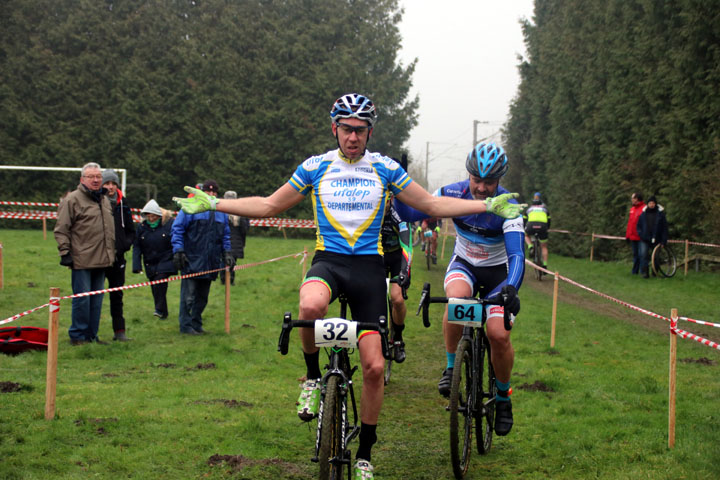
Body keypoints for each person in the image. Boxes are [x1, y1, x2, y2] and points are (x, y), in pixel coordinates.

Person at [173, 93, 525, 478]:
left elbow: (431, 206)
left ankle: (365, 454)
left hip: (369, 270)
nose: (353, 137)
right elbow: (271, 205)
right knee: (309, 308)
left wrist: (486, 206)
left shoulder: (386, 168)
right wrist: (215, 205)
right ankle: (310, 378)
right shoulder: (315, 166)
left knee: (374, 366)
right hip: (330, 262)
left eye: (360, 130)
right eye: (346, 129)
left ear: (370, 131)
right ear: (334, 129)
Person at [395, 141, 525, 438]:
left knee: (498, 334)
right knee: (456, 301)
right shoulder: (451, 193)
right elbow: (409, 214)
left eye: (488, 182)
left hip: (498, 274)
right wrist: (398, 187)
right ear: (468, 175)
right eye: (476, 179)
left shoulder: (509, 206)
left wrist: (511, 288)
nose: (481, 188)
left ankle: (503, 398)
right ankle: (452, 368)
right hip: (464, 263)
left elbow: (517, 255)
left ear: (499, 180)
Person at [54, 162, 116, 345]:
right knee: (82, 300)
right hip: (81, 259)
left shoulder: (104, 199)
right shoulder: (72, 199)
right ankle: (78, 336)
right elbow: (61, 228)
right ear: (82, 179)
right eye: (91, 177)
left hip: (102, 259)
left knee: (97, 301)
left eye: (98, 177)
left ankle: (92, 335)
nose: (96, 180)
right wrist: (65, 251)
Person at [171, 180, 234, 335]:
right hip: (191, 259)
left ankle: (196, 323)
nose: (211, 195)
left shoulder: (221, 213)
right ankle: (185, 326)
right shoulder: (190, 209)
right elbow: (177, 229)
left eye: (214, 193)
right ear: (203, 192)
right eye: (208, 192)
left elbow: (225, 235)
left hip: (211, 261)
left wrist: (227, 252)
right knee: (188, 297)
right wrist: (178, 250)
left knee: (202, 297)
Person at [101, 169, 136, 341]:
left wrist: (125, 245)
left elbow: (131, 229)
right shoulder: (96, 202)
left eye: (113, 183)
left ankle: (119, 332)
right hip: (99, 258)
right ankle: (90, 334)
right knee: (95, 296)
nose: (110, 187)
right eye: (107, 183)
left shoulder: (123, 204)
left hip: (119, 257)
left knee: (117, 296)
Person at [380, 195, 412, 363]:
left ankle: (398, 338)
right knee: (373, 299)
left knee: (397, 299)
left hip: (397, 259)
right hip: (377, 257)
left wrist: (405, 271)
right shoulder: (369, 214)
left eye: (383, 201)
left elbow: (407, 245)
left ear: (389, 199)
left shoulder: (397, 215)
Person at [132, 199, 177, 319]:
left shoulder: (169, 224)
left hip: (166, 259)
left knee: (160, 283)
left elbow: (176, 240)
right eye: (149, 216)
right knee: (155, 287)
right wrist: (136, 265)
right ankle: (163, 312)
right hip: (149, 262)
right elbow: (137, 246)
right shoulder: (142, 227)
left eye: (154, 216)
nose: (151, 219)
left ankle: (159, 309)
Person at [220, 190, 250, 286]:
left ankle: (223, 279)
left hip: (224, 241)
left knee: (223, 260)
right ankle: (231, 279)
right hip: (236, 242)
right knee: (233, 262)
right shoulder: (241, 212)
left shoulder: (220, 212)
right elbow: (245, 229)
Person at [636, 195, 669, 278]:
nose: (651, 204)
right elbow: (639, 226)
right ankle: (645, 273)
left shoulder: (661, 214)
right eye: (650, 203)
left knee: (656, 257)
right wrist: (641, 235)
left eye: (653, 203)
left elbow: (665, 228)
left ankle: (655, 273)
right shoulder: (643, 214)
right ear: (648, 204)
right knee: (644, 255)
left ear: (655, 204)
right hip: (645, 239)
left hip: (657, 239)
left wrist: (663, 240)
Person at [523, 192, 550, 270]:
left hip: (531, 226)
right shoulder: (545, 209)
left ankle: (530, 246)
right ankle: (545, 265)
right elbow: (549, 220)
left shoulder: (529, 209)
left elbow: (524, 220)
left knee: (526, 235)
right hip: (543, 227)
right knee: (544, 246)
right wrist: (547, 228)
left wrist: (524, 227)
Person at [625, 192, 646, 275]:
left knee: (642, 254)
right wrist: (627, 235)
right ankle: (635, 271)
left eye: (632, 198)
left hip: (641, 236)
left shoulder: (644, 208)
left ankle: (642, 271)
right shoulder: (632, 209)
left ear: (636, 199)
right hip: (633, 236)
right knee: (635, 254)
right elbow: (630, 223)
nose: (631, 200)